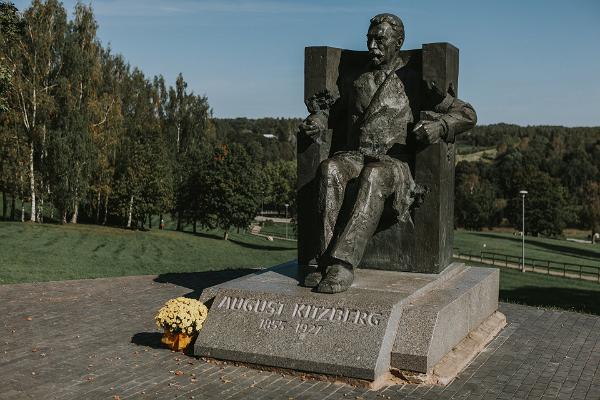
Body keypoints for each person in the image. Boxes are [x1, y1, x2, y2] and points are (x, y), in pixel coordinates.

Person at [299, 13, 477, 293]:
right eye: (369, 39)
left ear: (399, 42)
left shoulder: (415, 80)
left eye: (380, 39)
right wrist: (319, 121)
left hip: (394, 164)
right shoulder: (357, 79)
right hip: (355, 156)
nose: (372, 46)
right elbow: (335, 112)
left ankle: (341, 264)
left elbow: (467, 114)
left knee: (374, 175)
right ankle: (320, 258)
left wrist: (440, 126)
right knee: (329, 169)